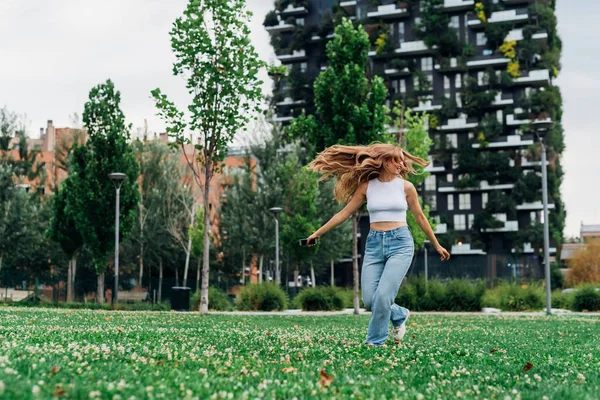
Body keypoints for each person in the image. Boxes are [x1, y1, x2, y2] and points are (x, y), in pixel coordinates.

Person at [306, 143, 450, 346]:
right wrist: (317, 233)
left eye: (402, 160)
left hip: (400, 243)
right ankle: (399, 314)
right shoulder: (367, 187)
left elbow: (420, 217)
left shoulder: (406, 187)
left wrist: (436, 244)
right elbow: (344, 213)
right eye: (396, 160)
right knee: (370, 300)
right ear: (383, 161)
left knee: (383, 296)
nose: (401, 164)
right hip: (374, 244)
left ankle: (375, 341)